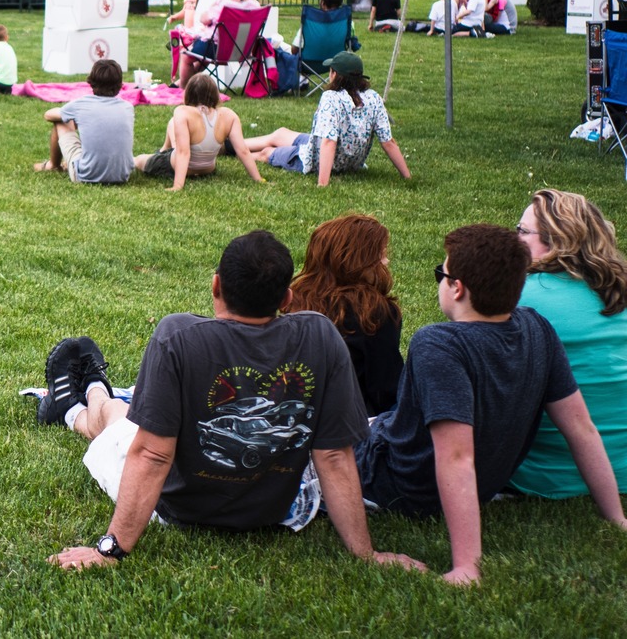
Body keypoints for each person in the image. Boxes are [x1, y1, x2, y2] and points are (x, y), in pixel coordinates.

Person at [41, 231, 427, 576]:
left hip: (179, 510)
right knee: (133, 420)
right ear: (287, 297)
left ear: (215, 286)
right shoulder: (320, 336)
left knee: (118, 417)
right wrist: (365, 553)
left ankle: (82, 398)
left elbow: (153, 455)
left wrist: (109, 549)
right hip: (270, 514)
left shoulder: (177, 336)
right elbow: (335, 456)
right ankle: (84, 395)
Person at [354, 225, 627, 585]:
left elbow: (456, 457)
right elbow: (581, 428)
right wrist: (617, 517)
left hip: (395, 483)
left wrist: (468, 564)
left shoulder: (438, 344)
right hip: (482, 482)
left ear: (457, 287)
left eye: (442, 273)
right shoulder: (537, 327)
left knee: (317, 438)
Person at [508, 191, 627, 499]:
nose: (513, 238)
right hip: (621, 466)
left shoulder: (519, 297)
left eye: (521, 231)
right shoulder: (619, 291)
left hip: (544, 472)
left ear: (556, 241)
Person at [285, 214, 403, 416]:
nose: (386, 261)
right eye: (381, 254)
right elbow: (385, 389)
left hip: (293, 412)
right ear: (360, 260)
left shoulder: (293, 299)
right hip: (351, 421)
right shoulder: (373, 310)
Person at [243, 52, 410, 186]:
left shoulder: (331, 98)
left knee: (267, 153)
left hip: (321, 160)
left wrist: (323, 183)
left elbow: (329, 142)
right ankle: (233, 144)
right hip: (349, 159)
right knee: (280, 134)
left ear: (335, 74)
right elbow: (388, 142)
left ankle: (240, 152)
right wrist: (407, 176)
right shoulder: (373, 98)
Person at [133, 72, 264, 191]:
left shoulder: (183, 112)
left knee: (140, 160)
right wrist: (258, 179)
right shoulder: (229, 115)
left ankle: (150, 156)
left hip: (174, 166)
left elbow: (183, 152)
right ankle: (162, 151)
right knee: (169, 137)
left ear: (188, 93)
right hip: (207, 168)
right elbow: (243, 151)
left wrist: (178, 185)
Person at [35, 58, 133, 182]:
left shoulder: (81, 104)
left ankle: (53, 165)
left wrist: (70, 117)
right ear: (120, 84)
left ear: (91, 81)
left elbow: (48, 115)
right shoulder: (127, 107)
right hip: (122, 175)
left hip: (85, 175)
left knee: (61, 121)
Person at [176, 0, 259, 86]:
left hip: (218, 50)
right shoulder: (255, 5)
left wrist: (207, 11)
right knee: (201, 59)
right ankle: (185, 84)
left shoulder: (223, 3)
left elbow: (204, 19)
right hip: (242, 51)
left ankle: (184, 90)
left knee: (186, 57)